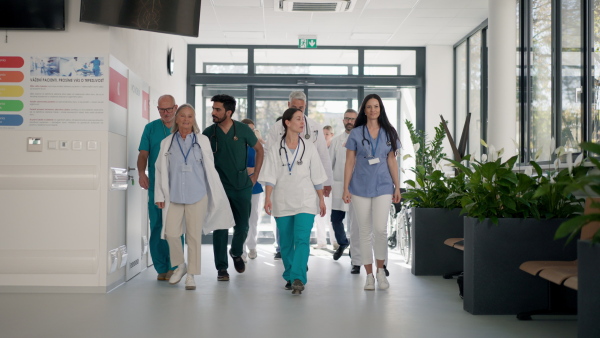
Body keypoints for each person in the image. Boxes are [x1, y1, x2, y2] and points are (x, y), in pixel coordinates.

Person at [154, 104, 235, 290]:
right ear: (177, 118)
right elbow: (160, 170)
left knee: (193, 237)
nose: (186, 119)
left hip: (198, 194)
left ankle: (191, 275)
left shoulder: (202, 140)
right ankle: (180, 266)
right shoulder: (167, 142)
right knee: (171, 233)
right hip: (173, 195)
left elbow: (209, 168)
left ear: (194, 118)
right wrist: (159, 194)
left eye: (189, 116)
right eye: (182, 116)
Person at [259, 108, 328, 295]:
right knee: (287, 243)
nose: (302, 122)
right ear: (287, 122)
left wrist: (321, 199)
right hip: (282, 201)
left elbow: (317, 176)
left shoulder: (309, 147)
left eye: (302, 119)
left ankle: (298, 277)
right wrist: (267, 198)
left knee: (302, 239)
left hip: (306, 200)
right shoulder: (275, 149)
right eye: (298, 119)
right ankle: (290, 274)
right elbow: (270, 177)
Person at [266, 91, 334, 259]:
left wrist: (327, 184)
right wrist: (269, 193)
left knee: (302, 237)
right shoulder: (276, 129)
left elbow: (323, 157)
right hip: (283, 188)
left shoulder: (315, 128)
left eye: (301, 108)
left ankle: (298, 272)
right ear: (288, 106)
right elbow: (270, 160)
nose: (298, 111)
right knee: (286, 237)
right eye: (295, 107)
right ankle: (287, 260)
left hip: (307, 189)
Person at [203, 94, 264, 281]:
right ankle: (221, 268)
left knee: (243, 225)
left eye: (217, 109)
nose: (213, 112)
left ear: (228, 112)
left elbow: (259, 150)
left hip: (241, 185)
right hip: (219, 187)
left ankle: (236, 252)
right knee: (220, 227)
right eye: (213, 109)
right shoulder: (208, 133)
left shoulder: (243, 129)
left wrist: (255, 176)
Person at [343, 94, 401, 291]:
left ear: (381, 109)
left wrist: (397, 186)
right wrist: (345, 188)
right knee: (364, 232)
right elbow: (349, 162)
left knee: (380, 229)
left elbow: (392, 160)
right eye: (369, 107)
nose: (373, 110)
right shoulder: (356, 133)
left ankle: (381, 271)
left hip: (384, 185)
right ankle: (368, 275)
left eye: (376, 106)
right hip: (359, 186)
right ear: (364, 110)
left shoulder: (389, 132)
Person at [137, 94, 180, 281]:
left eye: (169, 109)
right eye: (162, 109)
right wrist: (141, 173)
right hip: (156, 186)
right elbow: (143, 154)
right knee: (156, 225)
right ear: (158, 110)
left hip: (178, 186)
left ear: (175, 107)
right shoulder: (151, 128)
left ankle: (175, 266)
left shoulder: (183, 127)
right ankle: (161, 268)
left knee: (175, 227)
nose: (166, 113)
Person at [329, 109, 357, 266]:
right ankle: (342, 242)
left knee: (355, 221)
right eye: (347, 119)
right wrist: (327, 184)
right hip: (339, 186)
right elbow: (329, 163)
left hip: (356, 187)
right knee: (335, 219)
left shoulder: (362, 139)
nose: (349, 122)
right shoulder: (336, 141)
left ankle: (355, 251)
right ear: (343, 121)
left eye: (352, 119)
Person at [312, 126, 338, 250]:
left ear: (332, 135)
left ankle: (334, 241)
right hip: (319, 185)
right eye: (323, 134)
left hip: (332, 186)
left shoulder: (335, 148)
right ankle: (321, 242)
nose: (325, 136)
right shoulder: (317, 149)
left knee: (332, 215)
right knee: (320, 214)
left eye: (327, 134)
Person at [241, 118, 263, 261]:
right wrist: (248, 170)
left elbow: (263, 165)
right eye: (248, 128)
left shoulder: (258, 146)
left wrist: (253, 170)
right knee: (241, 219)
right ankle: (240, 250)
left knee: (254, 218)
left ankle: (252, 246)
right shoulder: (237, 145)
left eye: (253, 128)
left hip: (256, 186)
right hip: (240, 186)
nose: (251, 131)